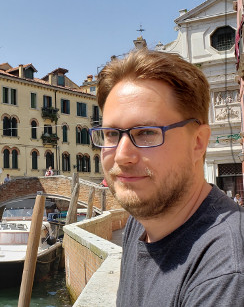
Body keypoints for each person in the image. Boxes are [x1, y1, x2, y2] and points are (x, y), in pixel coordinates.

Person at [89, 49, 244, 306]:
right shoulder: (140, 224)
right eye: (112, 134)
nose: (122, 156)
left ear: (197, 143)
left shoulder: (226, 273)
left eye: (147, 132)